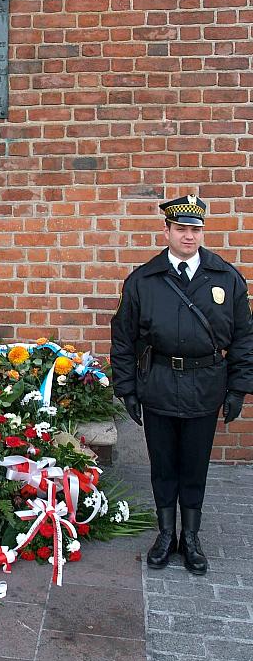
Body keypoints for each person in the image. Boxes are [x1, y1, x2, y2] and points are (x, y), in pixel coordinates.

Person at [110, 194, 253, 575]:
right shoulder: (144, 280)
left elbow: (244, 337)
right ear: (167, 231)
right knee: (163, 466)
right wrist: (126, 389)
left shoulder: (226, 277)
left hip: (206, 386)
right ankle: (165, 534)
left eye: (196, 229)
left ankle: (190, 537)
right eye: (182, 229)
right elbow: (123, 338)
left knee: (194, 465)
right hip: (157, 384)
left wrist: (238, 388)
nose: (189, 237)